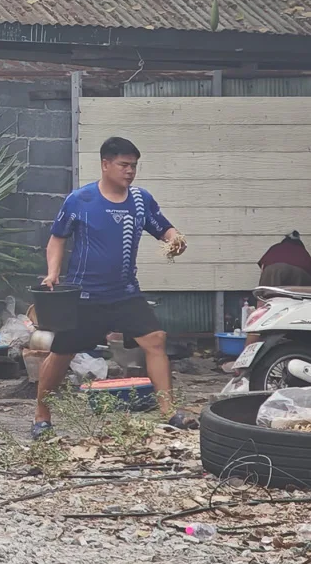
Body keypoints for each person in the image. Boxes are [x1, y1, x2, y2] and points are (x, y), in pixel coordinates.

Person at [34, 136, 196, 439]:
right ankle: (42, 416)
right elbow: (57, 238)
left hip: (124, 293)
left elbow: (164, 228)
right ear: (105, 164)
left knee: (155, 340)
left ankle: (168, 411)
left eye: (134, 166)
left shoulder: (140, 200)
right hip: (84, 296)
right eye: (124, 165)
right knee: (61, 354)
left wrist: (175, 239)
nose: (130, 171)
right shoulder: (80, 200)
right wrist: (53, 273)